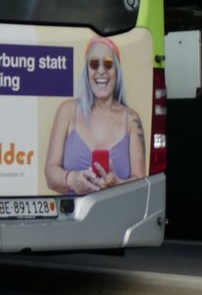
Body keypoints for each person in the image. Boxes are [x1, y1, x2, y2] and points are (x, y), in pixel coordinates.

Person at [45, 36, 146, 195]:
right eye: (94, 64)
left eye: (108, 64)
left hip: (119, 210)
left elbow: (140, 183)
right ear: (87, 72)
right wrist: (72, 179)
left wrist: (117, 184)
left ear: (117, 71)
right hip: (74, 211)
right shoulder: (68, 111)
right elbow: (50, 174)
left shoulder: (131, 120)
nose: (101, 71)